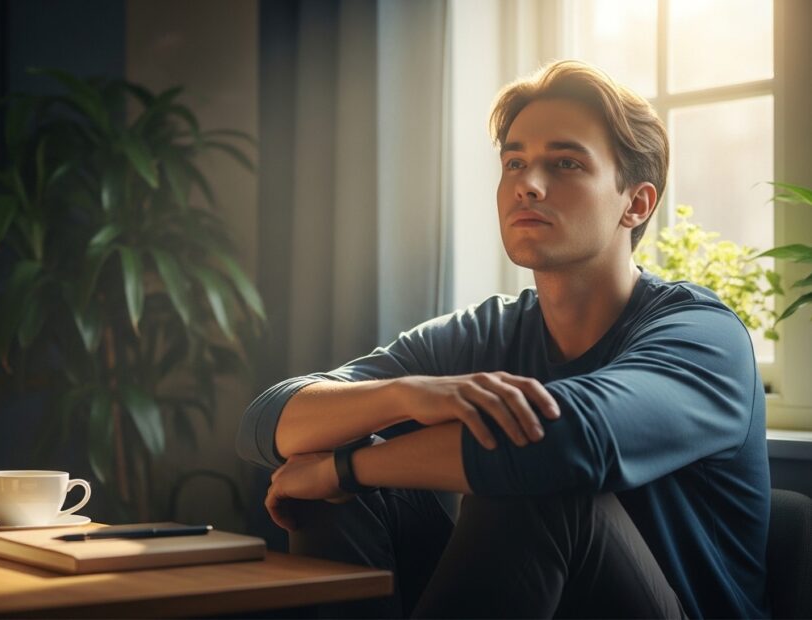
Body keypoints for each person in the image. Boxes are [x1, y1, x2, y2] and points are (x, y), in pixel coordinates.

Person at [237, 60, 769, 618]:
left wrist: (346, 468)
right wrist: (404, 396)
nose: (527, 185)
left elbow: (568, 444)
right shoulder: (486, 331)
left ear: (635, 203)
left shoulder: (705, 336)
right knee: (329, 494)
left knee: (534, 490)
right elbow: (266, 421)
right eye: (514, 162)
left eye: (565, 163)